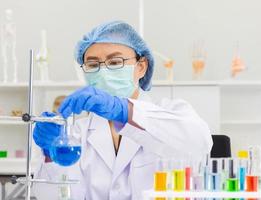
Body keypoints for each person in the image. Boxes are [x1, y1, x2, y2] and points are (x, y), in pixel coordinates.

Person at [32, 21, 212, 200]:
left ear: (141, 67)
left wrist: (124, 111)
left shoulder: (172, 112)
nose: (103, 72)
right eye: (93, 65)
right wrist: (50, 154)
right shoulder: (77, 133)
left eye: (115, 61)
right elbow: (58, 196)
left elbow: (199, 143)